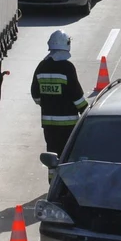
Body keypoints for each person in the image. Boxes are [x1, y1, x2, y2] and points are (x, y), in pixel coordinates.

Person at [31, 31, 88, 172]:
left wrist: (48, 103)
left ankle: (53, 184)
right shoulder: (67, 68)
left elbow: (35, 95)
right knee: (67, 156)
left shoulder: (41, 66)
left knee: (52, 157)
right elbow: (77, 97)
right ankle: (66, 185)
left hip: (49, 124)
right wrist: (86, 112)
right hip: (68, 124)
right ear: (67, 45)